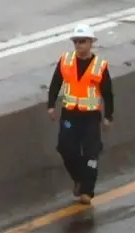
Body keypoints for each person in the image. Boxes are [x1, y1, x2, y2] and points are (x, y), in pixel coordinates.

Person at [44, 24, 114, 206]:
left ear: (90, 43)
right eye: (76, 41)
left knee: (91, 154)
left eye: (82, 41)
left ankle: (87, 191)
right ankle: (78, 179)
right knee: (66, 149)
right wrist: (51, 105)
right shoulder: (65, 61)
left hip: (90, 117)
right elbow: (55, 83)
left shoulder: (100, 66)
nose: (78, 45)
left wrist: (108, 116)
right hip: (69, 116)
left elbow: (108, 93)